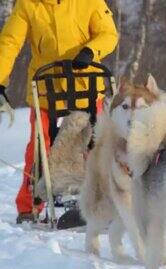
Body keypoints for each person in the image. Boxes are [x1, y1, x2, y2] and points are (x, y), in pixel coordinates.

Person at [0, 0, 118, 223]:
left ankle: (101, 201)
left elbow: (109, 34)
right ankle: (30, 205)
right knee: (39, 146)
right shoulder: (28, 5)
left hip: (86, 84)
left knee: (95, 143)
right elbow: (9, 42)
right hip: (46, 86)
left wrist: (90, 51)